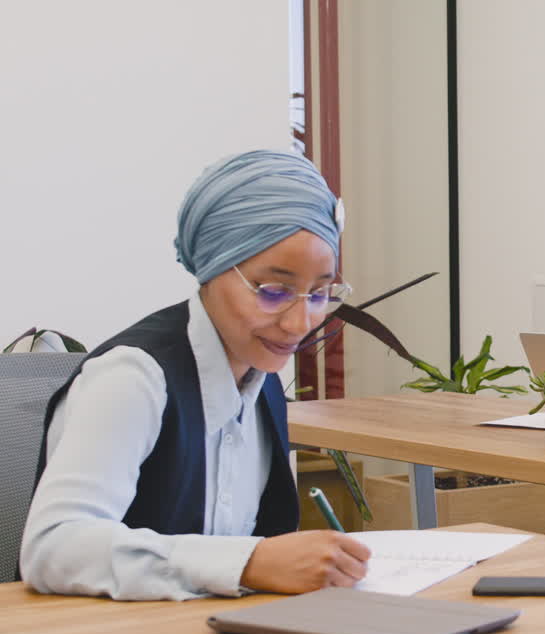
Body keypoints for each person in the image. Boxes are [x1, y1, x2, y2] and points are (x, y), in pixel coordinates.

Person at [20, 150, 372, 601]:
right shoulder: (133, 378)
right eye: (273, 291)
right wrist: (250, 562)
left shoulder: (261, 383)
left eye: (321, 293)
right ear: (211, 268)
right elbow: (53, 547)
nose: (300, 322)